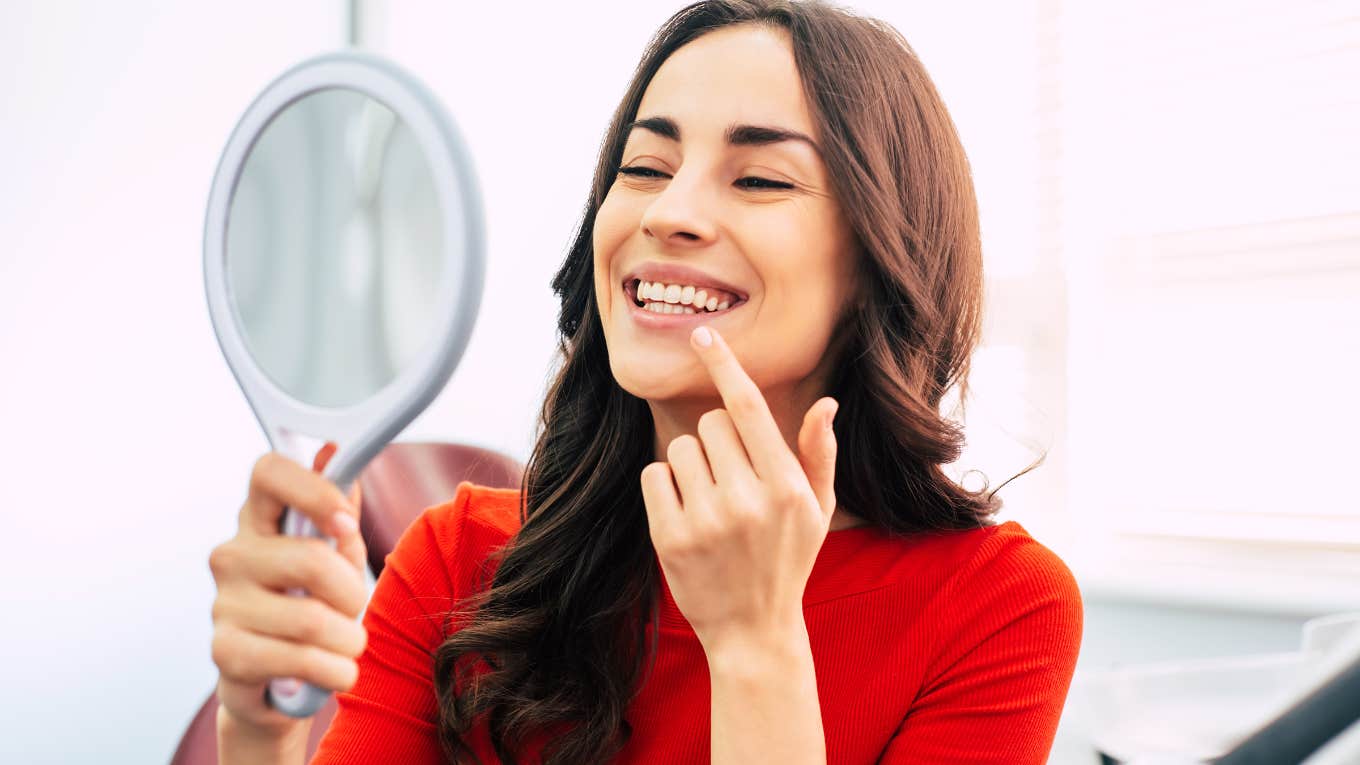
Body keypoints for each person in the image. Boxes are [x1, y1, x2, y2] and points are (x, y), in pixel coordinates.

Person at [207, 1, 1084, 763]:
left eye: (760, 177)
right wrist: (260, 735)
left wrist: (755, 646)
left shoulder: (999, 610)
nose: (668, 213)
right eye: (644, 168)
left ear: (880, 260)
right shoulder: (454, 559)